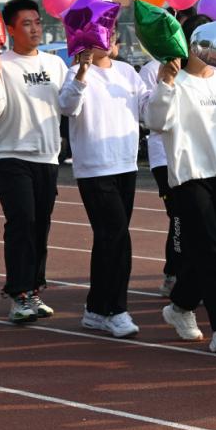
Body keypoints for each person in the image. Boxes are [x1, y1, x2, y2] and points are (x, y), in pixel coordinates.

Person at [146, 15, 216, 355]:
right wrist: (165, 84)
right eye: (203, 42)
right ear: (187, 45)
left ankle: (180, 305)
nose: (210, 49)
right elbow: (155, 122)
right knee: (214, 256)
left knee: (211, 250)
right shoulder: (175, 83)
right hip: (190, 178)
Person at [0, 0, 68, 322]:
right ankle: (18, 295)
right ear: (10, 29)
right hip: (10, 154)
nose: (35, 29)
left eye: (37, 22)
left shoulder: (55, 64)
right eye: (26, 23)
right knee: (22, 221)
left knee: (40, 225)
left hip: (47, 156)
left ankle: (33, 290)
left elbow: (69, 105)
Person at [59, 34, 148, 338]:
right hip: (95, 167)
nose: (106, 37)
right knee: (117, 236)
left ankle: (96, 309)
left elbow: (147, 111)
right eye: (100, 32)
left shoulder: (127, 72)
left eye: (110, 31)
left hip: (126, 164)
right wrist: (83, 72)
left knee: (108, 239)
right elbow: (67, 106)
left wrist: (165, 84)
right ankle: (115, 310)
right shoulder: (76, 72)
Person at [139, 57, 181, 297]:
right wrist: (161, 85)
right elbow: (146, 115)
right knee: (177, 216)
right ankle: (173, 273)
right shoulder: (150, 70)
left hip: (189, 154)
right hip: (163, 156)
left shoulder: (194, 68)